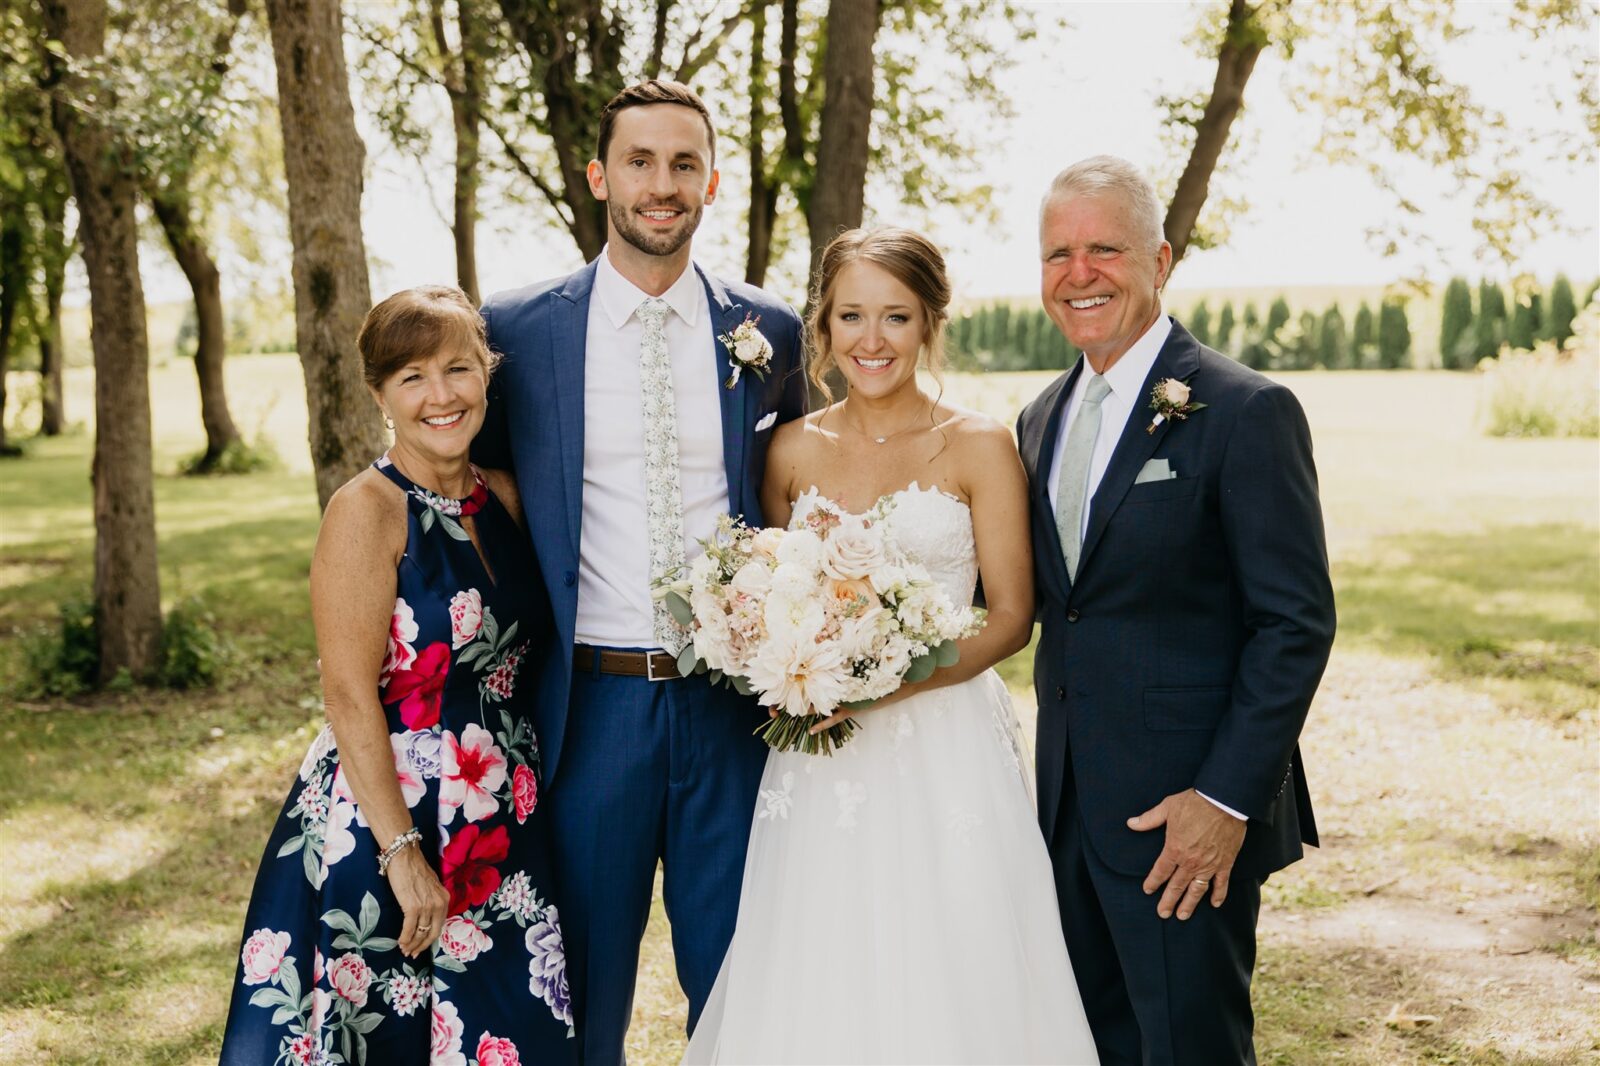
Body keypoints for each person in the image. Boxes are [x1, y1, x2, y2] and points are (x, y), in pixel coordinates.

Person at [683, 227, 1099, 1064]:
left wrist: (891, 681)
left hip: (945, 743)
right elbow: (774, 589)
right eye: (851, 316)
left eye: (896, 317)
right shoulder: (792, 449)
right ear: (824, 326)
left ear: (929, 323)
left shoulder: (979, 445)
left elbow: (1012, 616)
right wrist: (793, 657)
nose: (872, 341)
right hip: (819, 752)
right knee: (819, 951)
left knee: (954, 945)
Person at [471, 80, 808, 1064]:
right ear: (599, 176)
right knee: (577, 993)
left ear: (709, 179)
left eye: (682, 163)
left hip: (731, 710)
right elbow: (474, 490)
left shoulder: (768, 332)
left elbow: (794, 493)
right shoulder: (518, 330)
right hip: (588, 711)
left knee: (744, 983)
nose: (661, 185)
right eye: (639, 161)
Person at [1016, 156, 1337, 1065]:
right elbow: (1054, 602)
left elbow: (1295, 623)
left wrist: (1225, 800)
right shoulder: (1038, 418)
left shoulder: (1245, 410)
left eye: (1104, 249)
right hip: (1067, 811)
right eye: (1057, 254)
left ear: (1160, 260)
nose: (1080, 274)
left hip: (1185, 823)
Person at [219, 286, 576, 1065]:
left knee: (509, 1036)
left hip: (501, 820)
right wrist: (401, 855)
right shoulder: (367, 510)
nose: (440, 395)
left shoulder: (507, 498)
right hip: (389, 821)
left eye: (458, 369)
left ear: (488, 374)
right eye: (412, 377)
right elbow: (348, 694)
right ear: (379, 392)